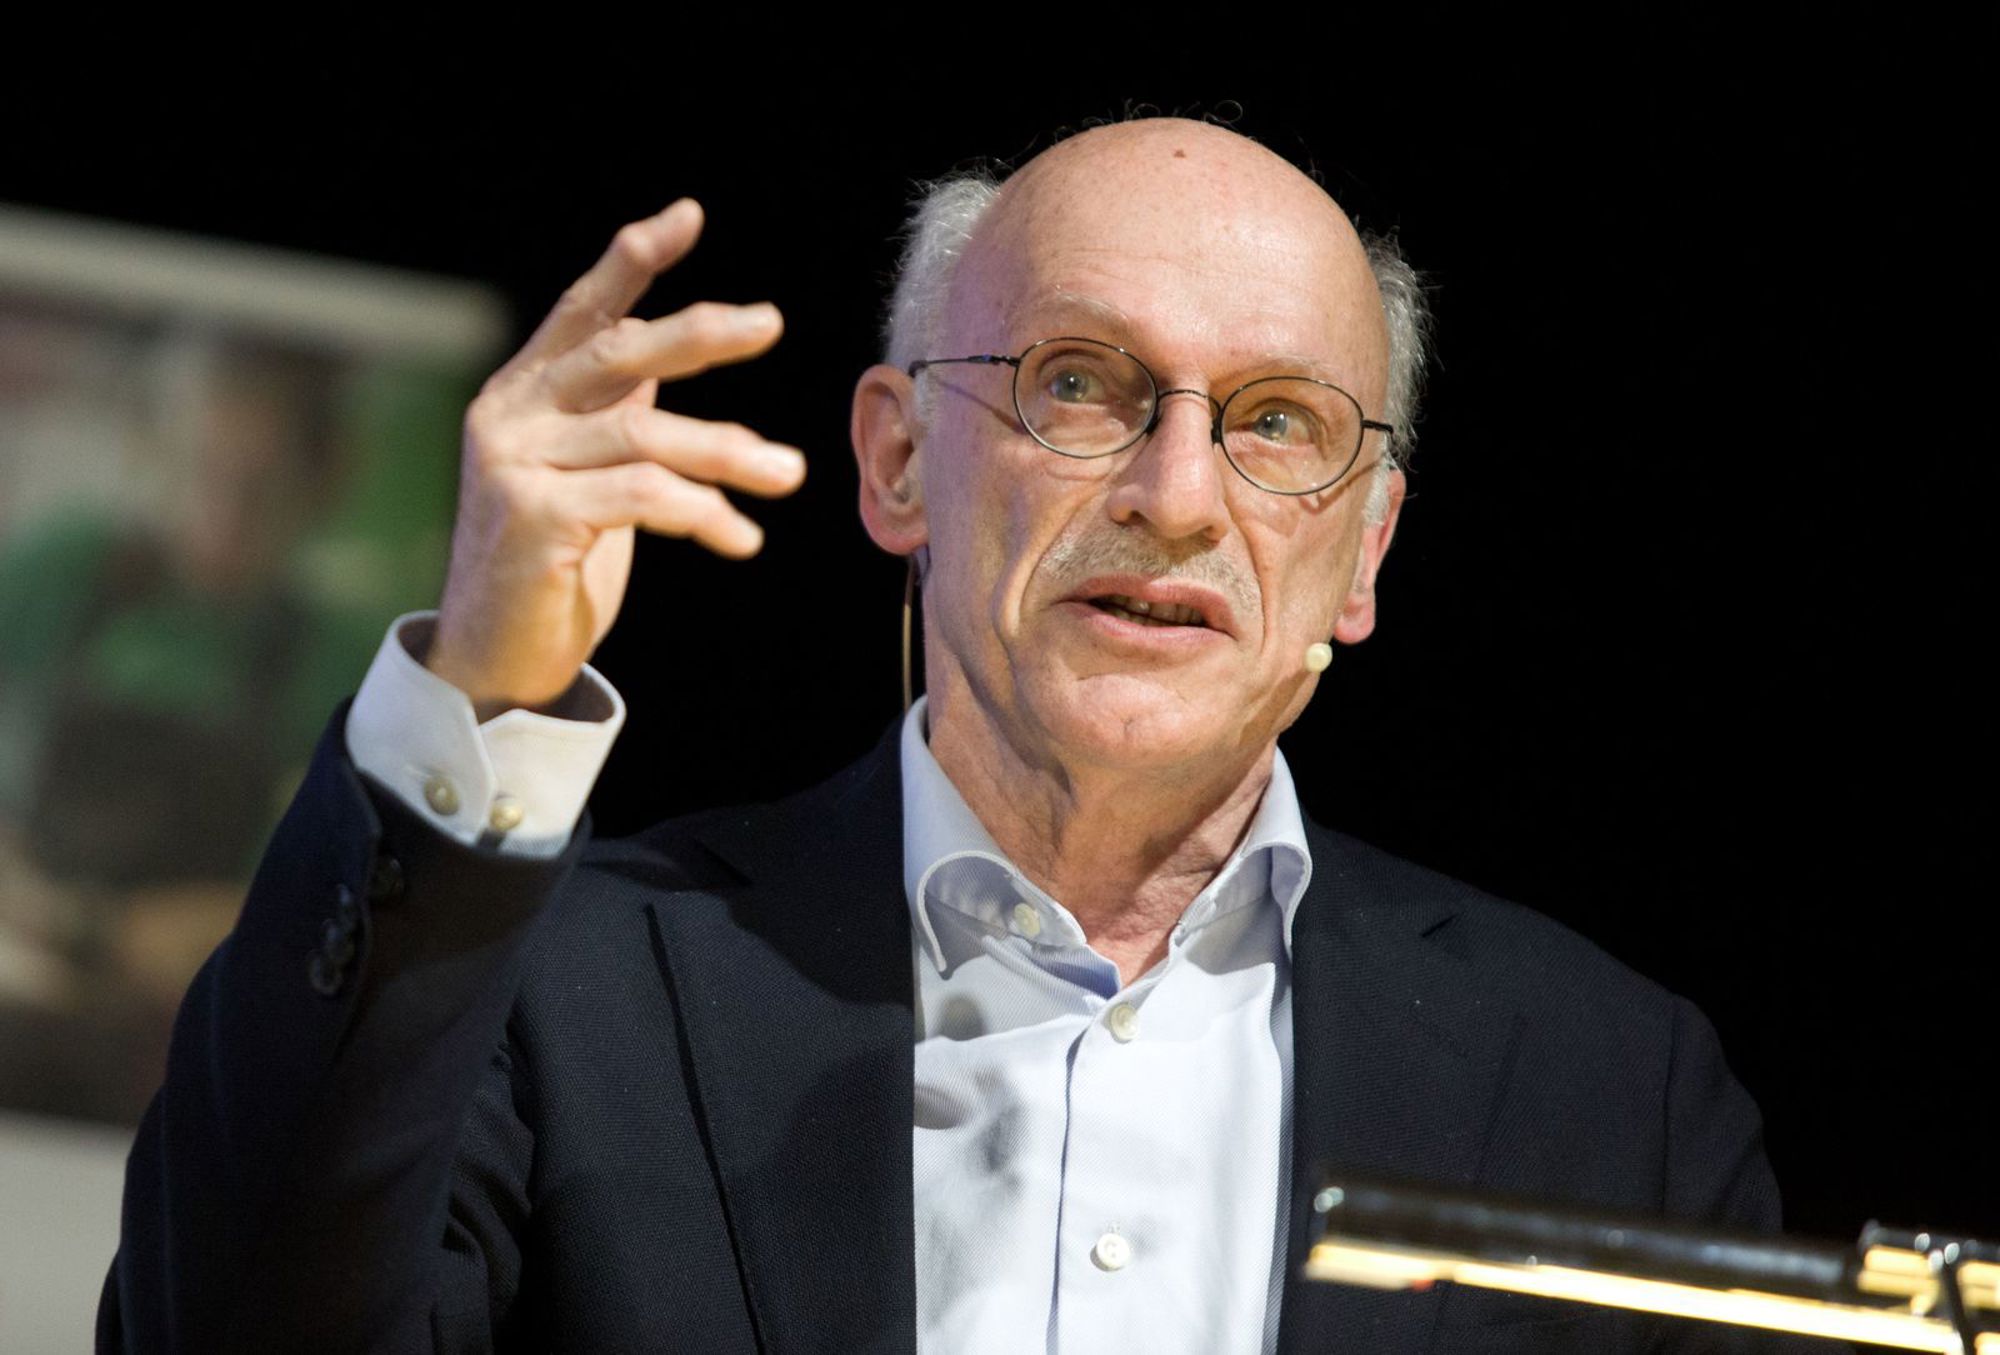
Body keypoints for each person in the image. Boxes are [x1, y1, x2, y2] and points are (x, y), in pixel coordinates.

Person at [99, 118, 1838, 1353]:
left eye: (1277, 423)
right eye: (1078, 383)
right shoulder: (565, 997)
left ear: (1365, 550)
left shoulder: (1607, 1092)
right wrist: (476, 690)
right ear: (897, 462)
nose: (1176, 495)